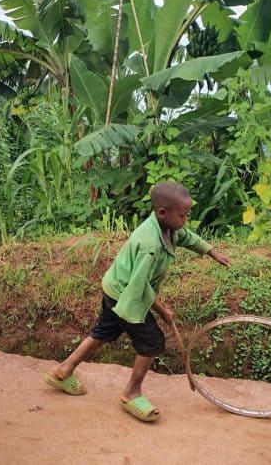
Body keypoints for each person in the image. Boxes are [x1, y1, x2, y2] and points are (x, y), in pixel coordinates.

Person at [43, 181, 231, 422]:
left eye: (187, 214)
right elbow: (138, 287)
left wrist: (212, 252)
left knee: (102, 333)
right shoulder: (150, 245)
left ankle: (63, 371)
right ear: (162, 213)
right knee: (152, 341)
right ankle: (131, 393)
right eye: (182, 215)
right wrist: (162, 310)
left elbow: (186, 237)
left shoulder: (167, 226)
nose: (185, 220)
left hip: (114, 286)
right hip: (125, 293)